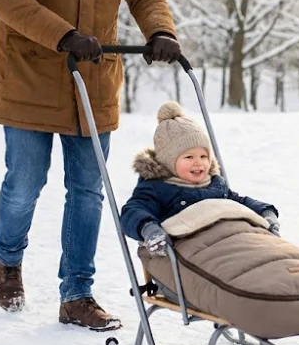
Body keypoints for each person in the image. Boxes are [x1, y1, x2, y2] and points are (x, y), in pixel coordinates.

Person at [0, 0, 182, 330]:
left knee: (88, 191)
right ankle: (8, 259)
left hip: (92, 79)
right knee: (25, 184)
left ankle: (77, 295)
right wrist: (63, 34)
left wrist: (160, 29)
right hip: (32, 75)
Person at [120, 102, 280, 255]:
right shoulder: (158, 188)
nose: (198, 162)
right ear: (168, 162)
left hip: (232, 241)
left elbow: (239, 202)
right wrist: (148, 228)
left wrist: (265, 211)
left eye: (204, 156)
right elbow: (133, 211)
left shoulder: (216, 184)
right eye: (189, 157)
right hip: (194, 250)